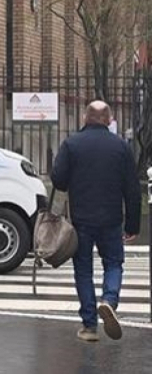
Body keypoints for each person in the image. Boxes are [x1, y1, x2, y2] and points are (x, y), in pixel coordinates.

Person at [51, 100, 141, 342]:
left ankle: (89, 326)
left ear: (85, 118)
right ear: (109, 120)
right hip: (112, 219)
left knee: (83, 270)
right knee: (113, 263)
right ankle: (109, 300)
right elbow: (132, 189)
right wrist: (133, 225)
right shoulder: (121, 147)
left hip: (81, 220)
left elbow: (58, 180)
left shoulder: (72, 144)